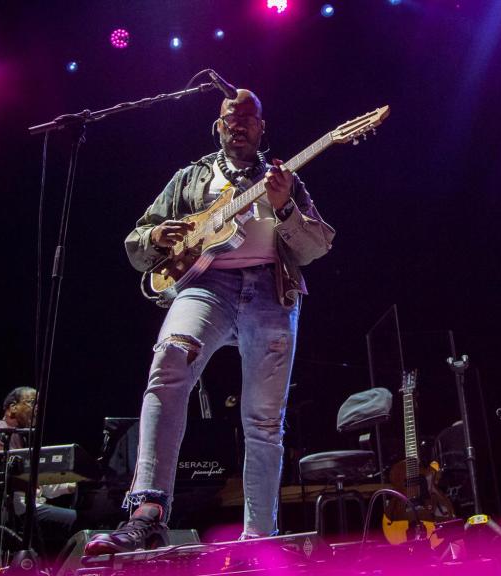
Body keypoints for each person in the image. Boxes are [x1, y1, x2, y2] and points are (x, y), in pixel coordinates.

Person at [85, 89, 334, 554]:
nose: (237, 125)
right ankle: (147, 511)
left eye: (247, 119)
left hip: (269, 290)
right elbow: (138, 242)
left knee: (263, 419)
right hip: (205, 286)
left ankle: (259, 535)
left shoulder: (285, 178)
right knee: (169, 362)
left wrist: (283, 206)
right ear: (217, 127)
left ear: (262, 128)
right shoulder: (190, 177)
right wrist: (159, 233)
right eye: (228, 119)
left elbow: (315, 247)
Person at [0, 386, 77, 552]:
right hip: (0, 508)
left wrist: (71, 485)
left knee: (70, 523)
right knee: (75, 521)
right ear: (13, 408)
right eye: (33, 402)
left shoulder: (24, 438)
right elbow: (14, 481)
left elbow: (38, 481)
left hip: (22, 506)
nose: (38, 408)